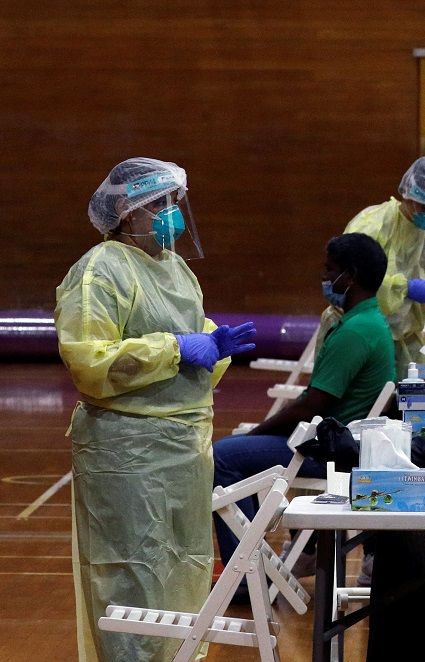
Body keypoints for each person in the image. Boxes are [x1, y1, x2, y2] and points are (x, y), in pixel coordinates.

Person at [55, 157, 257, 662]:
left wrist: (213, 345)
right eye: (160, 205)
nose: (173, 215)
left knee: (183, 571)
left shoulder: (178, 269)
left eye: (175, 203)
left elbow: (188, 348)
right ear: (126, 214)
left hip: (185, 449)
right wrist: (174, 347)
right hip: (127, 454)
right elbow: (89, 361)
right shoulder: (99, 271)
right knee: (131, 577)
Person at [212, 232, 395, 571]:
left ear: (350, 276)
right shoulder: (368, 322)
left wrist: (255, 435)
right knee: (236, 454)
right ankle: (253, 568)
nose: (324, 277)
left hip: (329, 453)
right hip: (336, 443)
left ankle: (243, 578)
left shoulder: (355, 332)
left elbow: (314, 405)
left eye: (330, 269)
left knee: (223, 456)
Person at [345, 156, 425, 380]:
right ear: (410, 195)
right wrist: (404, 288)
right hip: (359, 335)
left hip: (407, 342)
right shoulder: (374, 223)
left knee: (404, 408)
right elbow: (350, 279)